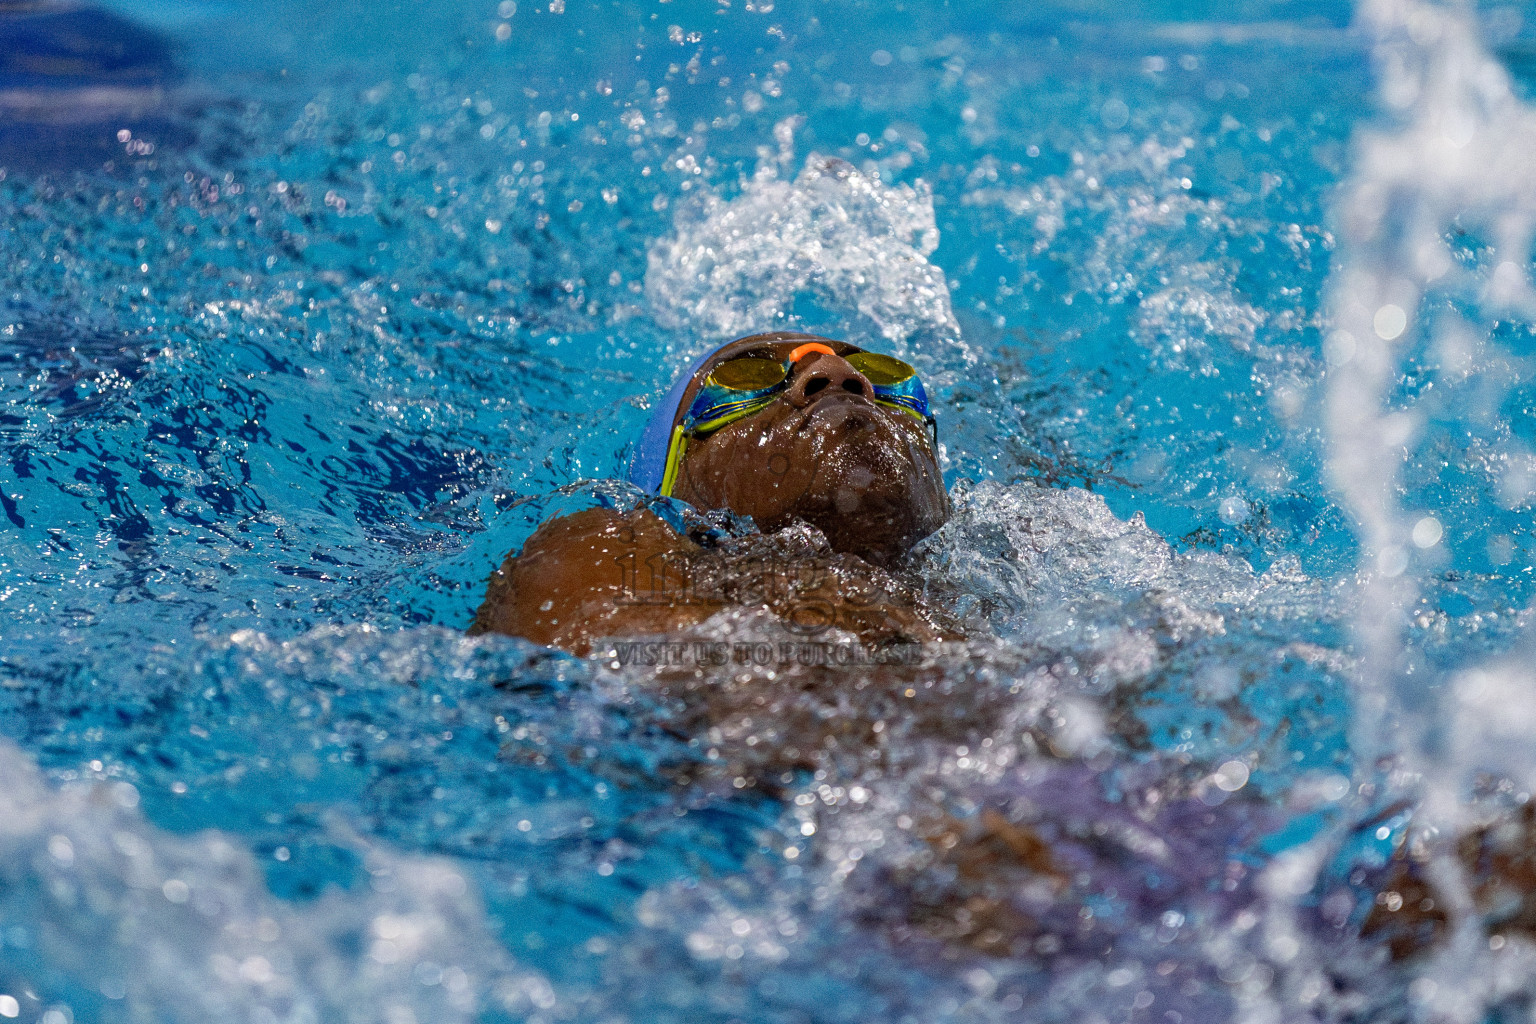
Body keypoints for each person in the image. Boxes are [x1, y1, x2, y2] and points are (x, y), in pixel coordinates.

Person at [470, 332, 955, 654]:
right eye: (744, 377)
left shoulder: (1016, 551)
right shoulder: (603, 544)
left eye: (881, 371)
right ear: (673, 480)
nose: (835, 375)